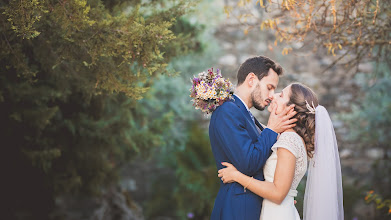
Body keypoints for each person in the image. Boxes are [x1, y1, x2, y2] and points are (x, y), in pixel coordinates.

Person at [218, 83, 344, 220]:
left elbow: (278, 194)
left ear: (291, 109)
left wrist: (236, 176)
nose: (273, 96)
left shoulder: (288, 140)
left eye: (281, 94)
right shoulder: (286, 138)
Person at [209, 56, 297, 220]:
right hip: (238, 209)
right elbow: (248, 163)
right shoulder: (228, 111)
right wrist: (271, 130)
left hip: (254, 205)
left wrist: (281, 194)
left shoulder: (246, 115)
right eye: (269, 87)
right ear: (251, 79)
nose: (272, 95)